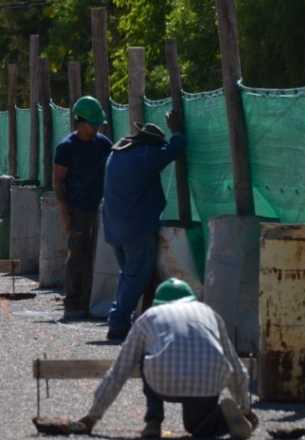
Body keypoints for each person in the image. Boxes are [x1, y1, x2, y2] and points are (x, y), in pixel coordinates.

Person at [74, 278, 256, 439]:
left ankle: (154, 421)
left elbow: (120, 370)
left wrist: (93, 416)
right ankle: (224, 421)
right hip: (208, 380)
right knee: (196, 427)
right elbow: (235, 365)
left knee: (145, 356)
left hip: (162, 381)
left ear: (158, 303)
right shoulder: (209, 313)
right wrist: (245, 407)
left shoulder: (149, 316)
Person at [102, 110, 186, 341]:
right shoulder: (147, 155)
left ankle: (128, 319)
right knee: (135, 277)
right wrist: (176, 129)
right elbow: (177, 147)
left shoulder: (117, 154)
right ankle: (117, 323)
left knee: (128, 276)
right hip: (136, 228)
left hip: (113, 227)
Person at [53, 96, 113, 320]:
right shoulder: (66, 147)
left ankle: (92, 301)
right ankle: (73, 301)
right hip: (77, 209)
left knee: (98, 256)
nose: (96, 128)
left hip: (101, 208)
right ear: (80, 122)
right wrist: (65, 214)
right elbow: (58, 181)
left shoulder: (103, 144)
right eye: (93, 124)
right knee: (78, 255)